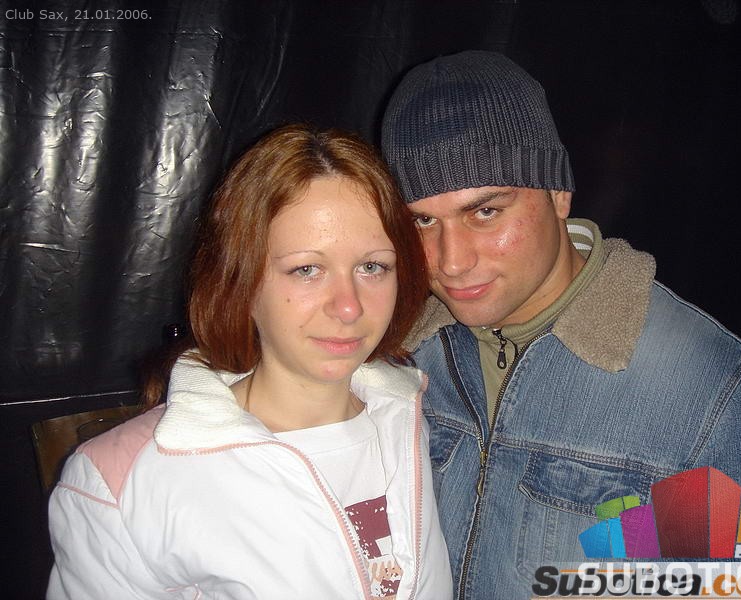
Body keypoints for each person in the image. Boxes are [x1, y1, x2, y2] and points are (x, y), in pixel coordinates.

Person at [381, 50, 741, 598]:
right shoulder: (400, 357)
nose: (451, 261)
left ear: (559, 192)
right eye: (421, 221)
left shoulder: (705, 393)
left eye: (485, 211)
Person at [47, 124, 452, 599]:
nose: (348, 307)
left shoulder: (417, 420)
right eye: (307, 269)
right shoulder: (121, 484)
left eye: (372, 267)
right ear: (241, 282)